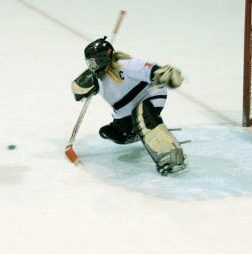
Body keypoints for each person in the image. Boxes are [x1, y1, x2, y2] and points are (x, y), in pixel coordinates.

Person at [71, 37, 187, 175]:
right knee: (115, 134)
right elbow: (76, 88)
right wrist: (81, 88)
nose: (92, 66)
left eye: (94, 62)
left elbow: (153, 71)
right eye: (89, 63)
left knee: (143, 115)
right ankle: (141, 132)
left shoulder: (126, 65)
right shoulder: (97, 78)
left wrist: (166, 74)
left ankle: (172, 157)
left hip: (149, 95)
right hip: (126, 110)